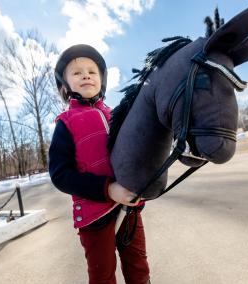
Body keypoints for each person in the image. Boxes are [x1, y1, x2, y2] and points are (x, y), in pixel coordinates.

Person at [49, 44, 150, 284]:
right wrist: (108, 189)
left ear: (101, 81)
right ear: (65, 87)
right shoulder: (66, 123)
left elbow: (135, 153)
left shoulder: (118, 115)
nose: (85, 75)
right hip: (94, 217)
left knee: (139, 268)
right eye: (77, 72)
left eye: (92, 71)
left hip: (129, 209)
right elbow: (60, 174)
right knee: (102, 275)